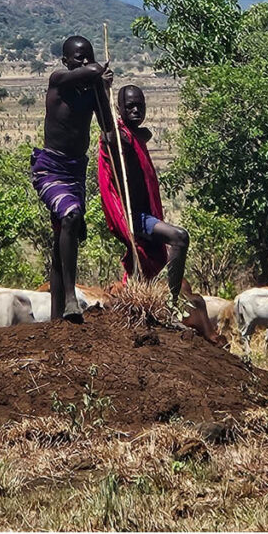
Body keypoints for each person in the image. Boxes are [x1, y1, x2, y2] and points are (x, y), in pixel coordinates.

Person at [98, 84, 221, 343]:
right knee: (179, 237)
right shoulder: (121, 137)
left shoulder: (137, 136)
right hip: (133, 217)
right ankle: (172, 303)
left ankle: (158, 298)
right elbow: (110, 134)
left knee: (159, 261)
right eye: (129, 106)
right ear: (119, 109)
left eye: (139, 105)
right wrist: (102, 87)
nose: (135, 110)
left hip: (145, 214)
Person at [31, 36, 113, 323]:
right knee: (70, 215)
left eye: (87, 56)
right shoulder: (58, 81)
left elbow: (107, 126)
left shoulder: (91, 89)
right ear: (66, 61)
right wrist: (97, 70)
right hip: (50, 169)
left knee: (64, 238)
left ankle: (57, 318)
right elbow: (88, 72)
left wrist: (102, 89)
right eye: (78, 57)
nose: (84, 61)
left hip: (76, 170)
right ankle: (69, 298)